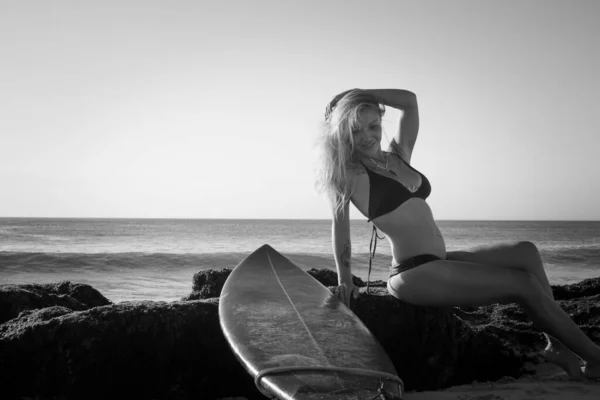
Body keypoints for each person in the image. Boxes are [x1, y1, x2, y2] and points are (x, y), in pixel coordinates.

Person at [315, 88, 600, 379]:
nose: (367, 136)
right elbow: (340, 229)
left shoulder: (398, 156)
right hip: (412, 274)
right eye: (355, 129)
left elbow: (410, 102)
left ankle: (556, 345)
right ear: (341, 132)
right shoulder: (348, 174)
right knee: (523, 284)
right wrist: (344, 279)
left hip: (438, 260)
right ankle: (594, 358)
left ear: (381, 122)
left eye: (373, 126)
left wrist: (360, 93)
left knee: (526, 251)